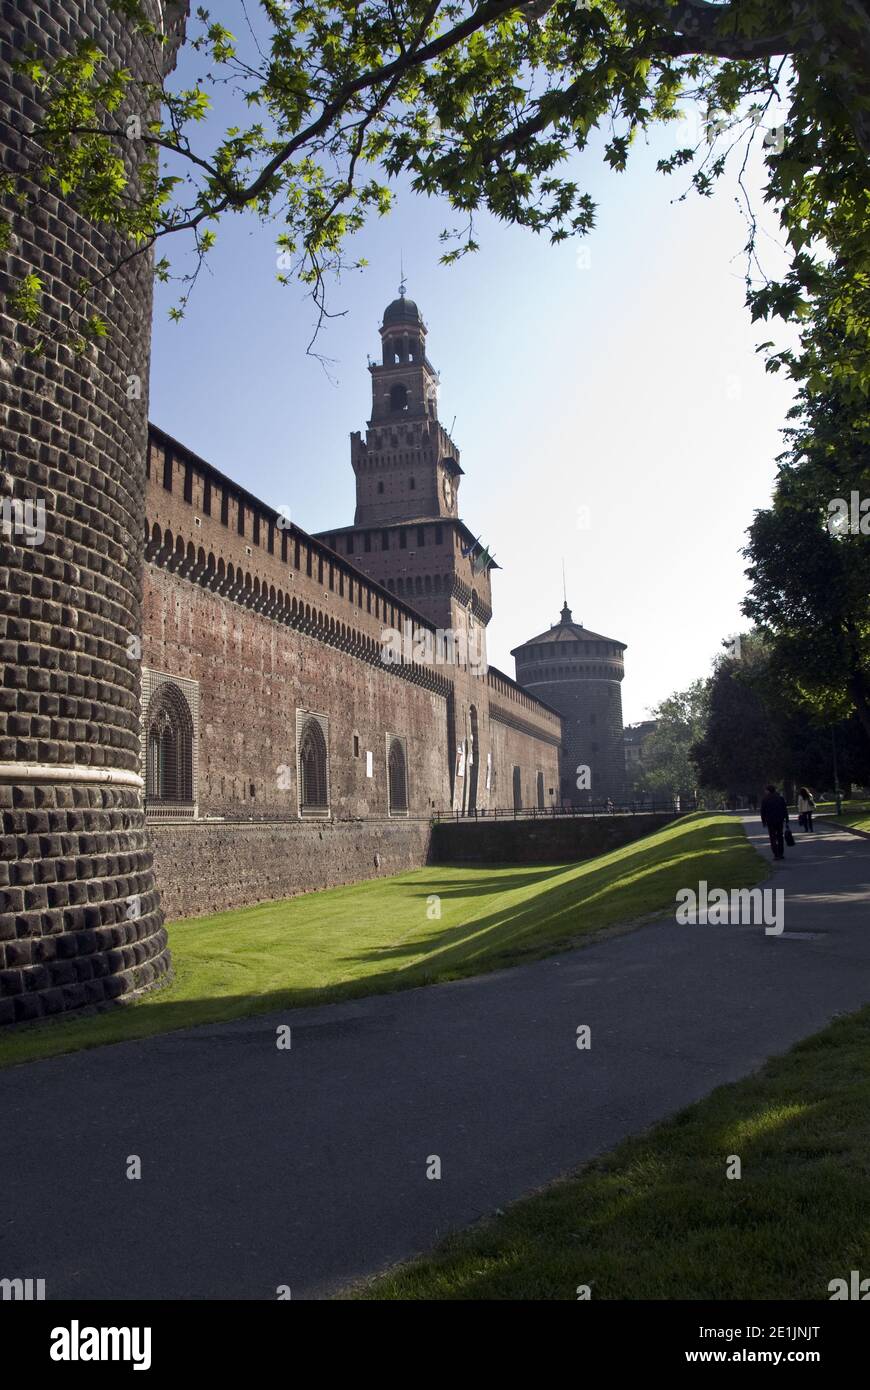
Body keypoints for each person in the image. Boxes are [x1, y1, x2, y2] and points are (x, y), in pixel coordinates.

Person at [760, 784, 789, 859]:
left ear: (768, 791)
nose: (765, 792)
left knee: (772, 837)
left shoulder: (765, 799)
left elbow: (763, 811)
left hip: (770, 820)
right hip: (779, 819)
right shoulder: (780, 798)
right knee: (780, 836)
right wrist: (787, 819)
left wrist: (763, 821)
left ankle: (776, 854)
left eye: (766, 790)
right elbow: (785, 809)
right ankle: (781, 852)